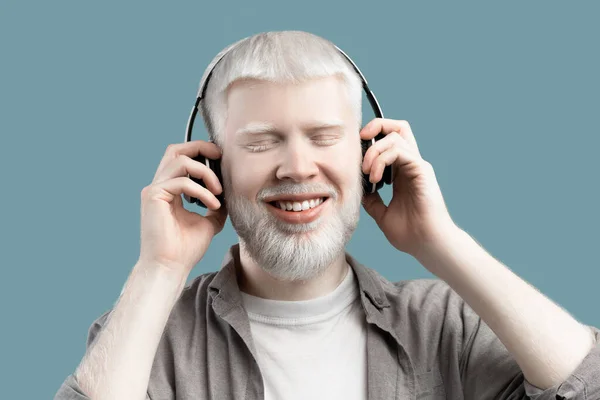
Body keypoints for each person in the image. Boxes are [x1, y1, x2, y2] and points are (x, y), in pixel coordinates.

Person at [55, 31, 599, 400]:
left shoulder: (445, 325)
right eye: (263, 141)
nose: (296, 167)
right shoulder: (151, 333)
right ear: (210, 167)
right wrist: (161, 269)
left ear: (369, 158)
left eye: (323, 137)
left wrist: (441, 242)